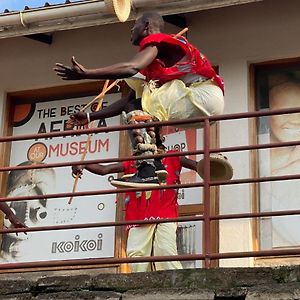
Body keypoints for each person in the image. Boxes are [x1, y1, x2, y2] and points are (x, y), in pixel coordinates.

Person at [54, 11, 227, 187]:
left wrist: (86, 74)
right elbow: (130, 101)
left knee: (138, 103)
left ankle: (146, 169)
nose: (131, 31)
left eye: (134, 26)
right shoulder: (156, 63)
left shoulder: (157, 40)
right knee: (139, 106)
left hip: (201, 97)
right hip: (205, 104)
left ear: (146, 27)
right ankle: (156, 163)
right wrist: (91, 117)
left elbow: (131, 67)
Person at [72, 149, 197, 272]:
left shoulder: (173, 157)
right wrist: (83, 164)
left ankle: (175, 287)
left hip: (166, 215)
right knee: (137, 257)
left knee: (166, 251)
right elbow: (104, 169)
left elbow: (199, 167)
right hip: (138, 217)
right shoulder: (134, 162)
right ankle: (145, 288)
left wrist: (212, 164)